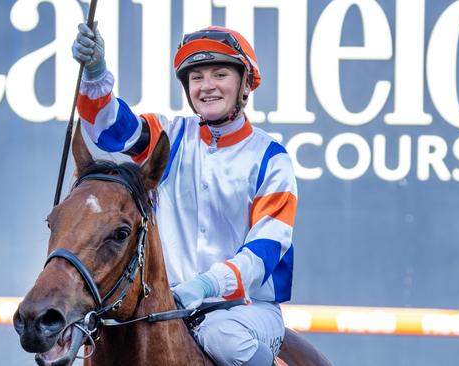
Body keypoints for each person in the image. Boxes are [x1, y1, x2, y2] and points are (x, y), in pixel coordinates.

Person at [72, 22, 297, 366]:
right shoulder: (170, 134)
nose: (207, 86)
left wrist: (204, 287)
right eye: (196, 78)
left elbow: (264, 252)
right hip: (164, 305)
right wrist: (95, 72)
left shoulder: (271, 157)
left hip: (244, 311)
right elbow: (109, 129)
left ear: (245, 84)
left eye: (220, 74)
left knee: (224, 338)